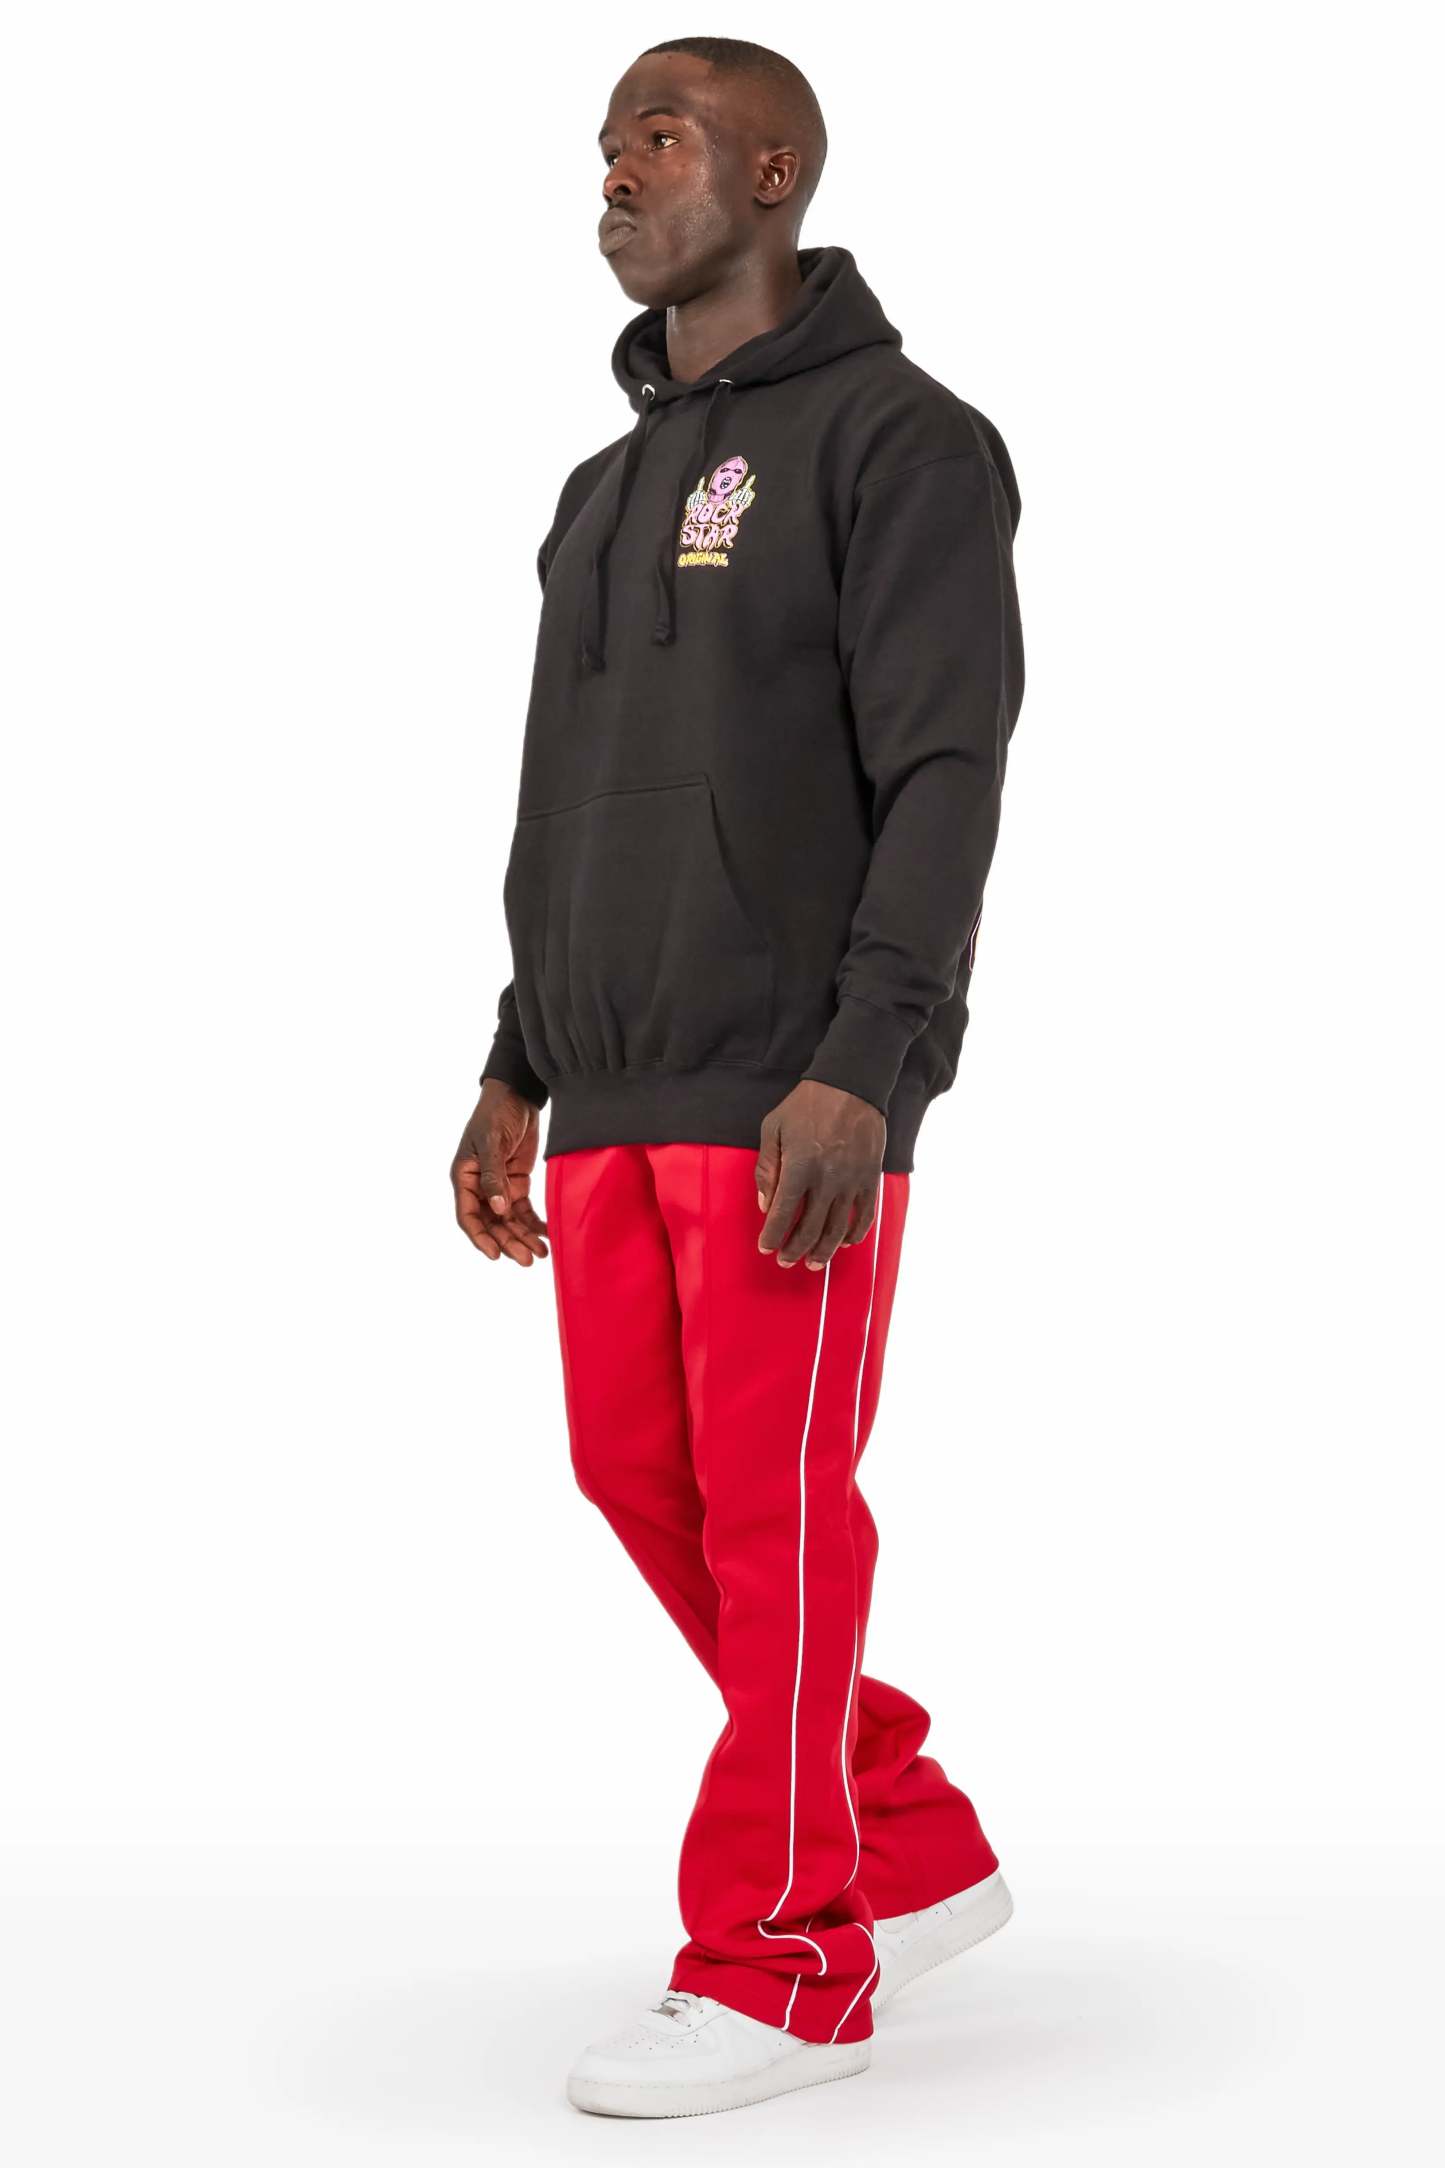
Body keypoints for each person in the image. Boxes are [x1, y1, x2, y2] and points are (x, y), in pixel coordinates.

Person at [449, 35, 1025, 2119]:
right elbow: (564, 793)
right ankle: (906, 1835)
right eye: (604, 147)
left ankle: (786, 1960)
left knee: (777, 1513)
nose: (616, 176)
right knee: (642, 1478)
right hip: (612, 1070)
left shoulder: (904, 442)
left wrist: (872, 1058)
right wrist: (514, 1057)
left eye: (661, 138)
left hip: (792, 1079)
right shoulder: (598, 494)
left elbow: (946, 766)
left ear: (772, 172)